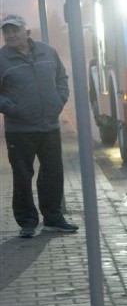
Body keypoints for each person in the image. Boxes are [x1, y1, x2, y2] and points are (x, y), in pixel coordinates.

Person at [0, 14, 78, 237]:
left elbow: (61, 79)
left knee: (53, 173)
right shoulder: (2, 59)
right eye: (6, 32)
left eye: (15, 30)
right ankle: (27, 222)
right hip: (20, 130)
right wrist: (14, 108)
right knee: (23, 176)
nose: (10, 35)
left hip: (49, 125)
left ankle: (53, 218)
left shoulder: (47, 52)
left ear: (27, 32)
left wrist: (59, 101)